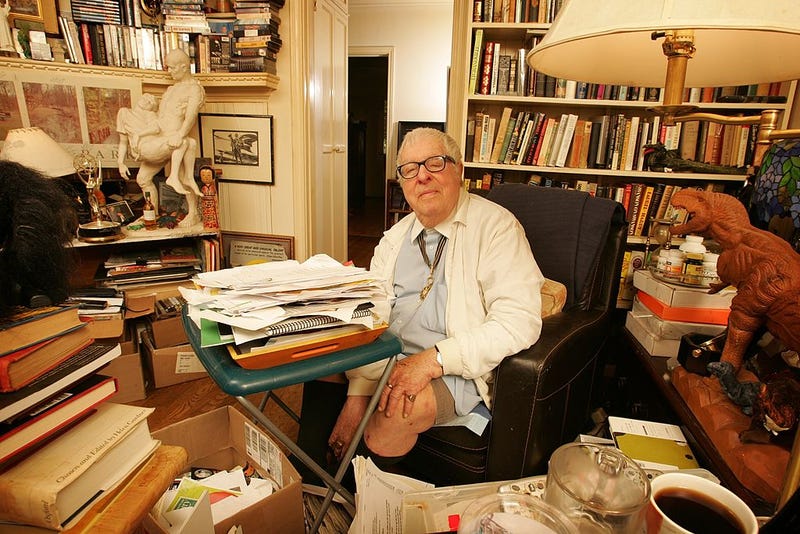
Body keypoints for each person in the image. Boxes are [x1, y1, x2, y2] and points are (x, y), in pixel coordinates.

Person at [326, 127, 545, 464]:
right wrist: (357, 394)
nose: (423, 177)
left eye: (435, 163)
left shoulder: (497, 228)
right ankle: (313, 488)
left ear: (459, 169)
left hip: (455, 369)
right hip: (385, 359)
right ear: (403, 184)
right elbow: (370, 313)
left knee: (396, 409)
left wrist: (432, 360)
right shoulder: (394, 238)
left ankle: (375, 506)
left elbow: (519, 322)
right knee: (312, 366)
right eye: (410, 169)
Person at [116, 49, 204, 228]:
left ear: (184, 67)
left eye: (172, 68)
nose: (169, 71)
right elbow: (158, 117)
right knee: (142, 179)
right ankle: (152, 214)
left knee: (184, 164)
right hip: (158, 141)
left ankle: (193, 213)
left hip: (172, 140)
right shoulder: (170, 89)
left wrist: (180, 135)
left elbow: (191, 116)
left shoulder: (194, 89)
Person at [199, 164, 219, 229]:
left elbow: (215, 197)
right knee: (206, 217)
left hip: (212, 206)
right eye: (203, 175)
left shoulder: (213, 187)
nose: (206, 177)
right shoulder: (202, 188)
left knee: (213, 217)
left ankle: (213, 226)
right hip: (205, 207)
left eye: (208, 175)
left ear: (212, 177)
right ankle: (207, 226)